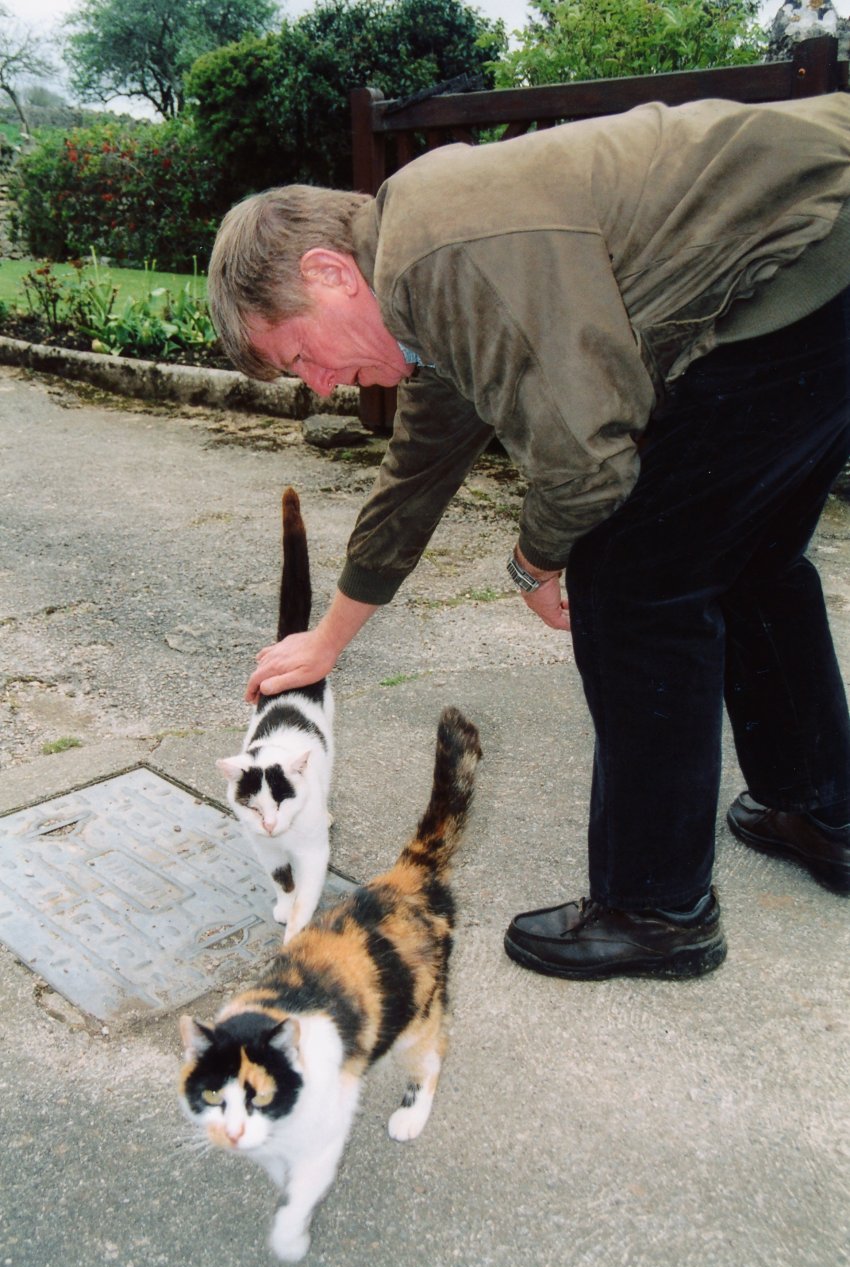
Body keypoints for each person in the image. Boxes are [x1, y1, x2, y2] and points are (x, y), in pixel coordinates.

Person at [207, 92, 850, 981]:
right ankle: (819, 808)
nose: (317, 386)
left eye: (296, 355)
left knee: (634, 581)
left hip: (811, 267)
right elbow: (413, 480)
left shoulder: (442, 255)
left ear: (327, 272)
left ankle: (658, 908)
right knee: (750, 555)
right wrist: (326, 640)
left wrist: (534, 560)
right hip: (824, 264)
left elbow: (589, 463)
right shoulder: (424, 293)